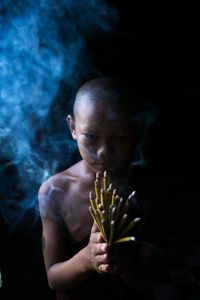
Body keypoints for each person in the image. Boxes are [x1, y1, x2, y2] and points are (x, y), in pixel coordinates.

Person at [38, 77, 160, 300]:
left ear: (135, 133)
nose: (104, 151)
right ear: (73, 128)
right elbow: (54, 279)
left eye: (120, 138)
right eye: (92, 137)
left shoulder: (143, 191)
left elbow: (150, 282)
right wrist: (86, 259)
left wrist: (125, 264)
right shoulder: (54, 191)